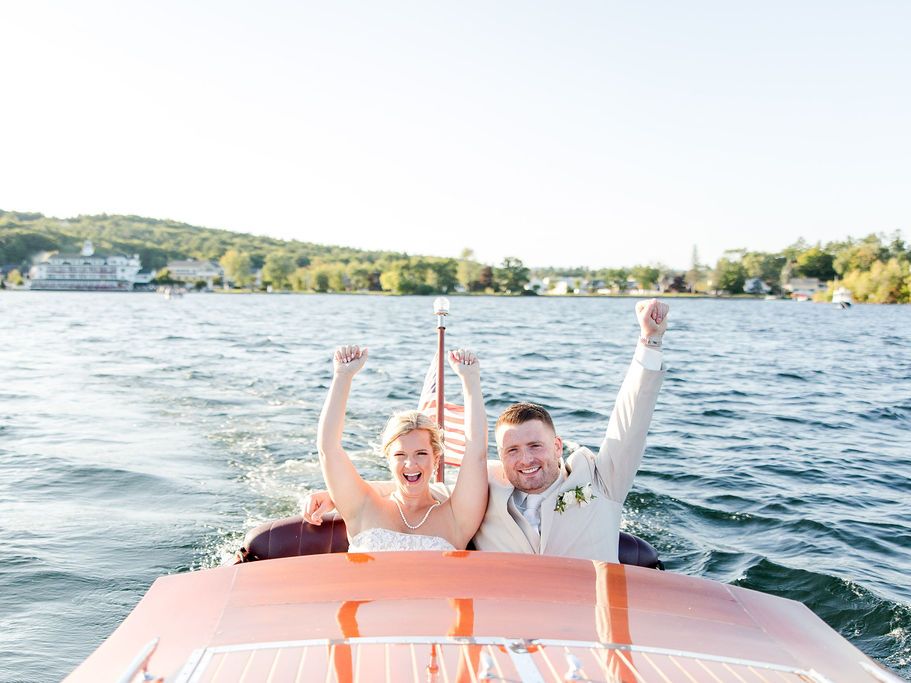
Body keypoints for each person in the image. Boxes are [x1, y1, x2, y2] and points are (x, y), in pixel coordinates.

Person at [307, 299, 668, 563]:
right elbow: (425, 478)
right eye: (512, 451)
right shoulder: (493, 489)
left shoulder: (599, 481)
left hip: (585, 625)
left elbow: (631, 421)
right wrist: (337, 492)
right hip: (505, 631)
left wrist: (649, 343)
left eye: (535, 446)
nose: (525, 460)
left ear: (557, 445)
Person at [317, 344, 488, 552]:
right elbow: (329, 448)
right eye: (400, 454)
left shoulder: (455, 517)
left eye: (421, 453)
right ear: (388, 458)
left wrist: (470, 380)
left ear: (436, 457)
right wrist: (342, 376)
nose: (410, 463)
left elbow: (476, 452)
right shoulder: (363, 507)